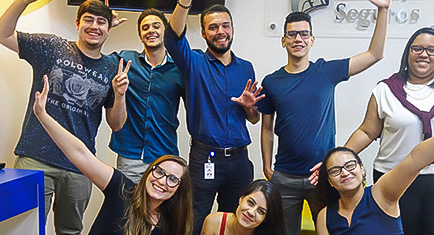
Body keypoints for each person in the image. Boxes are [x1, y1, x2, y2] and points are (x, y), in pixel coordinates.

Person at [257, 1, 390, 234]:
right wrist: (268, 167)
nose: (298, 39)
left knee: (329, 231)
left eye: (304, 34)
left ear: (312, 40)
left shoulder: (326, 71)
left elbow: (374, 54)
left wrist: (383, 9)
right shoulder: (271, 82)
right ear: (283, 40)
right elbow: (267, 129)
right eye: (292, 34)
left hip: (322, 176)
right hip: (284, 177)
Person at [0, 0, 128, 233]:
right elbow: (3, 33)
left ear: (110, 29)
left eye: (101, 23)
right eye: (88, 20)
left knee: (70, 231)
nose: (94, 26)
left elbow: (117, 124)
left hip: (80, 166)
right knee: (22, 228)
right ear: (77, 22)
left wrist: (120, 95)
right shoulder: (52, 46)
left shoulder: (112, 67)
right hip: (35, 157)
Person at [341, 26, 434, 234]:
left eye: (432, 50)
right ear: (407, 53)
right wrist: (338, 160)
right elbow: (367, 132)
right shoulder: (384, 90)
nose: (424, 54)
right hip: (394, 182)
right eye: (417, 48)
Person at [32, 75, 194, 235]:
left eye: (172, 179)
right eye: (159, 171)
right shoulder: (121, 188)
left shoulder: (172, 224)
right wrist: (42, 115)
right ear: (150, 171)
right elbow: (80, 154)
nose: (161, 181)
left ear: (179, 190)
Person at [165, 1, 265, 233]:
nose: (220, 32)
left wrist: (250, 108)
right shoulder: (194, 62)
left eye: (225, 26)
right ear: (203, 33)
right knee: (195, 218)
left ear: (232, 29)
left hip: (240, 160)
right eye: (213, 27)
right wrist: (183, 4)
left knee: (236, 221)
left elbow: (253, 119)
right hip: (205, 158)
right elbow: (172, 38)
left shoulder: (246, 68)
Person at [315, 105, 434, 234]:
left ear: (362, 169)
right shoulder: (325, 216)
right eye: (336, 171)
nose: (344, 172)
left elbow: (415, 158)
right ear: (329, 181)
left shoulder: (380, 194)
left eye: (350, 165)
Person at [107, 8, 185, 183]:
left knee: (161, 210)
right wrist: (106, 30)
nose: (151, 30)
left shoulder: (180, 69)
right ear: (141, 36)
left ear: (165, 31)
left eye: (156, 26)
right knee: (127, 208)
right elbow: (93, 55)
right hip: (130, 158)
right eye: (145, 28)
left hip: (164, 155)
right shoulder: (124, 61)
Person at [201, 179, 286, 235]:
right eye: (250, 203)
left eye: (261, 211)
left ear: (265, 219)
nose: (251, 212)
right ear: (241, 199)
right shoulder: (214, 222)